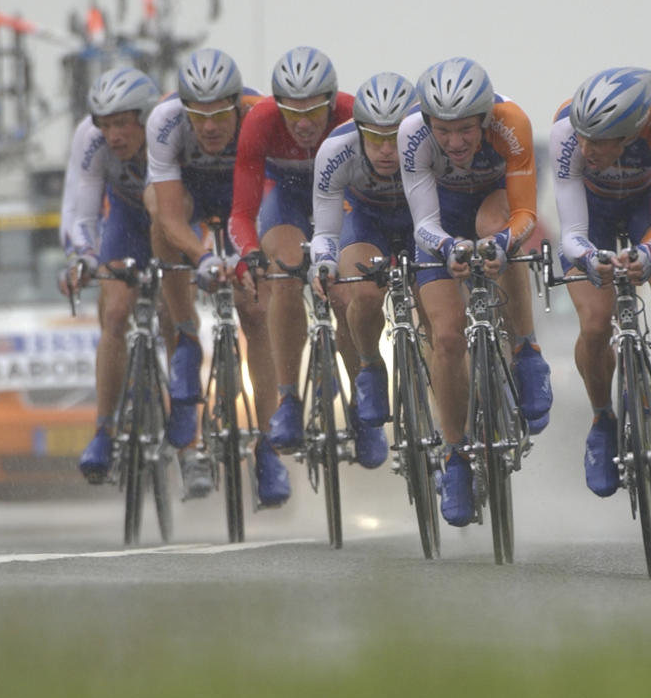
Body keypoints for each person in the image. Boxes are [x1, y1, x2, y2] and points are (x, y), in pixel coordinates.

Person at [398, 56, 553, 527]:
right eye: (443, 131)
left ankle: (525, 349)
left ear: (484, 119)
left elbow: (525, 212)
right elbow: (423, 222)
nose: (455, 141)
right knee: (445, 339)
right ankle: (456, 455)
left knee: (494, 225)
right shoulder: (411, 135)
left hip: (496, 205)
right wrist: (448, 247)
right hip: (440, 225)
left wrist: (502, 243)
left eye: (466, 129)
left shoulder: (512, 123)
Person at [549, 66, 651, 497]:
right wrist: (587, 257)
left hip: (647, 208)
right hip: (591, 218)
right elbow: (571, 229)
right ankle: (602, 420)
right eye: (582, 136)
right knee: (596, 322)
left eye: (599, 140)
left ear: (634, 131)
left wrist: (648, 253)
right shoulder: (566, 131)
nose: (586, 147)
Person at [144, 47, 287, 505]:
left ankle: (269, 450)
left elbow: (266, 207)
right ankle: (185, 335)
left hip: (242, 200)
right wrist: (203, 257)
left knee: (256, 316)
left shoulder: (260, 117)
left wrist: (248, 260)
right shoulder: (164, 122)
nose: (208, 127)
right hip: (188, 200)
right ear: (184, 110)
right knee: (161, 217)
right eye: (198, 116)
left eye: (220, 115)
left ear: (237, 107)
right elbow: (168, 216)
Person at [227, 46, 355, 500]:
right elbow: (242, 211)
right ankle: (288, 399)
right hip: (287, 201)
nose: (302, 123)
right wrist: (247, 255)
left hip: (342, 202)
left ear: (331, 102)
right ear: (278, 106)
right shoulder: (260, 122)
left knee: (346, 289)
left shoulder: (352, 115)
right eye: (292, 112)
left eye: (313, 111)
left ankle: (363, 399)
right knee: (281, 274)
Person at [60, 66, 167, 485]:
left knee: (175, 307)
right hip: (124, 222)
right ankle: (103, 430)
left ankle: (184, 420)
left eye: (122, 124)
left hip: (173, 217)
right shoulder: (90, 140)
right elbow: (79, 209)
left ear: (144, 118)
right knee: (116, 313)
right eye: (106, 126)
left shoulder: (166, 129)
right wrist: (83, 257)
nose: (113, 136)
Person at [309, 72, 419, 468]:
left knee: (445, 322)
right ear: (359, 132)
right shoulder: (337, 149)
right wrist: (322, 263)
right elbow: (325, 231)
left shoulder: (430, 144)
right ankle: (370, 366)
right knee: (364, 295)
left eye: (395, 138)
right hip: (365, 221)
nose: (386, 150)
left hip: (420, 222)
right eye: (375, 138)